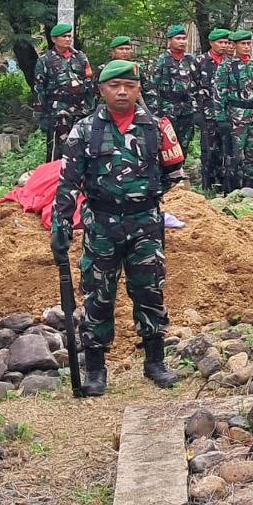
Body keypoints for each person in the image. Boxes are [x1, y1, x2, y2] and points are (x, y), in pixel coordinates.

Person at [50, 60, 183, 396]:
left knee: (150, 291)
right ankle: (95, 370)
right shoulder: (84, 130)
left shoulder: (157, 127)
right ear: (101, 90)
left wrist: (142, 196)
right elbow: (68, 183)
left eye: (129, 86)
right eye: (114, 86)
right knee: (98, 295)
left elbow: (173, 173)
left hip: (145, 224)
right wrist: (61, 224)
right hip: (101, 225)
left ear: (139, 90)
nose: (122, 91)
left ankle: (155, 362)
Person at [33, 22, 96, 161]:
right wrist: (42, 115)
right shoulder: (45, 60)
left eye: (69, 36)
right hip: (57, 112)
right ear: (54, 39)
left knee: (80, 148)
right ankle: (55, 174)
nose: (68, 39)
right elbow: (39, 88)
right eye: (64, 36)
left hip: (80, 111)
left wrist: (90, 108)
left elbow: (89, 83)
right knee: (57, 150)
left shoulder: (80, 57)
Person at [214, 30, 253, 191]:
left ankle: (250, 188)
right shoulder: (227, 66)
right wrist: (221, 118)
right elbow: (219, 93)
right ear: (234, 45)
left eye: (248, 43)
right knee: (235, 155)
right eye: (243, 44)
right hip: (236, 117)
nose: (246, 47)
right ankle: (232, 189)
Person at [150, 24, 200, 158]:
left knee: (184, 144)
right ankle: (166, 171)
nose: (182, 41)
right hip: (168, 108)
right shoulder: (161, 60)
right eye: (178, 38)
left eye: (184, 38)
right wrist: (155, 112)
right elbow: (153, 87)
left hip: (187, 109)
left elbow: (198, 84)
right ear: (170, 40)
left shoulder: (190, 59)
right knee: (166, 146)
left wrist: (196, 107)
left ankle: (180, 168)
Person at [196, 28, 232, 192]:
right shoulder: (200, 62)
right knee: (209, 150)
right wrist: (197, 111)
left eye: (226, 42)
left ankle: (223, 184)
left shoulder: (230, 62)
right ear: (211, 43)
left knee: (226, 149)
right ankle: (207, 185)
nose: (223, 45)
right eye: (220, 42)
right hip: (207, 113)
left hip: (227, 114)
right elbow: (193, 87)